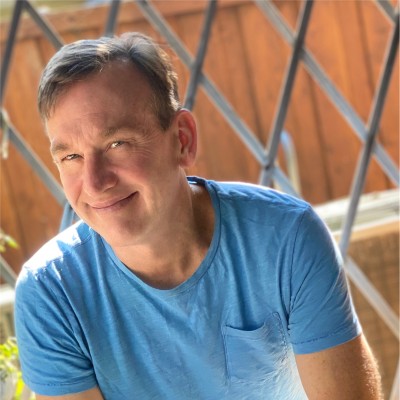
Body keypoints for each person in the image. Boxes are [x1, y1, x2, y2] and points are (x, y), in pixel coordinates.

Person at [14, 32, 382, 400]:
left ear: (183, 139)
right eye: (71, 157)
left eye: (117, 144)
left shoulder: (285, 237)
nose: (94, 183)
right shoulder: (51, 291)